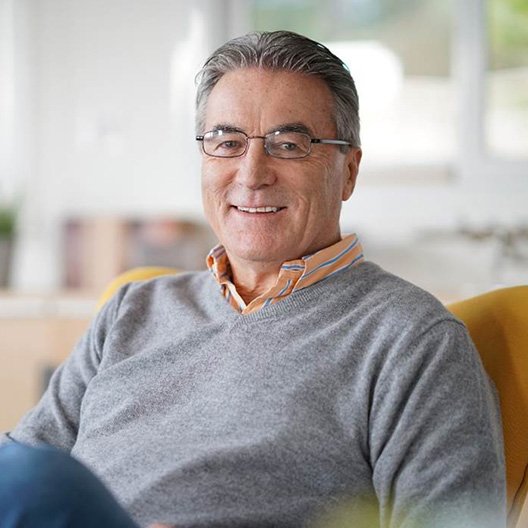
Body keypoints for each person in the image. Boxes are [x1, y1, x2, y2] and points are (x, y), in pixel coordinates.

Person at [0, 30, 505, 528]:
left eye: (288, 144)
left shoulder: (412, 342)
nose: (252, 173)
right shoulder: (131, 310)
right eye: (227, 142)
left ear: (348, 171)